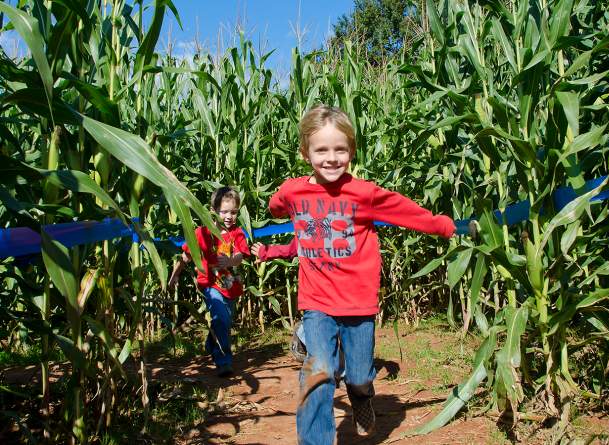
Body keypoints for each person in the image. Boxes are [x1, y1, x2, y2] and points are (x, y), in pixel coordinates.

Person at [268, 105, 456, 443]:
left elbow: (404, 210)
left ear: (351, 151)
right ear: (305, 152)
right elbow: (277, 204)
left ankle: (361, 398)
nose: (331, 158)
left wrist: (442, 226)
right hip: (318, 303)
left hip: (358, 302)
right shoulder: (295, 191)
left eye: (340, 149)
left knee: (358, 375)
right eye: (321, 149)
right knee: (319, 372)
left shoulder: (363, 193)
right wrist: (280, 203)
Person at [169, 186, 250, 377]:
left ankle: (211, 343)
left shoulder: (237, 233)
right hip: (210, 285)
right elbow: (186, 255)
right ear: (213, 211)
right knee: (221, 318)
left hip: (230, 284)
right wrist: (175, 274)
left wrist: (230, 261)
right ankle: (224, 361)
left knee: (224, 321)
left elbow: (240, 256)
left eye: (233, 212)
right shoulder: (202, 233)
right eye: (224, 212)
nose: (229, 216)